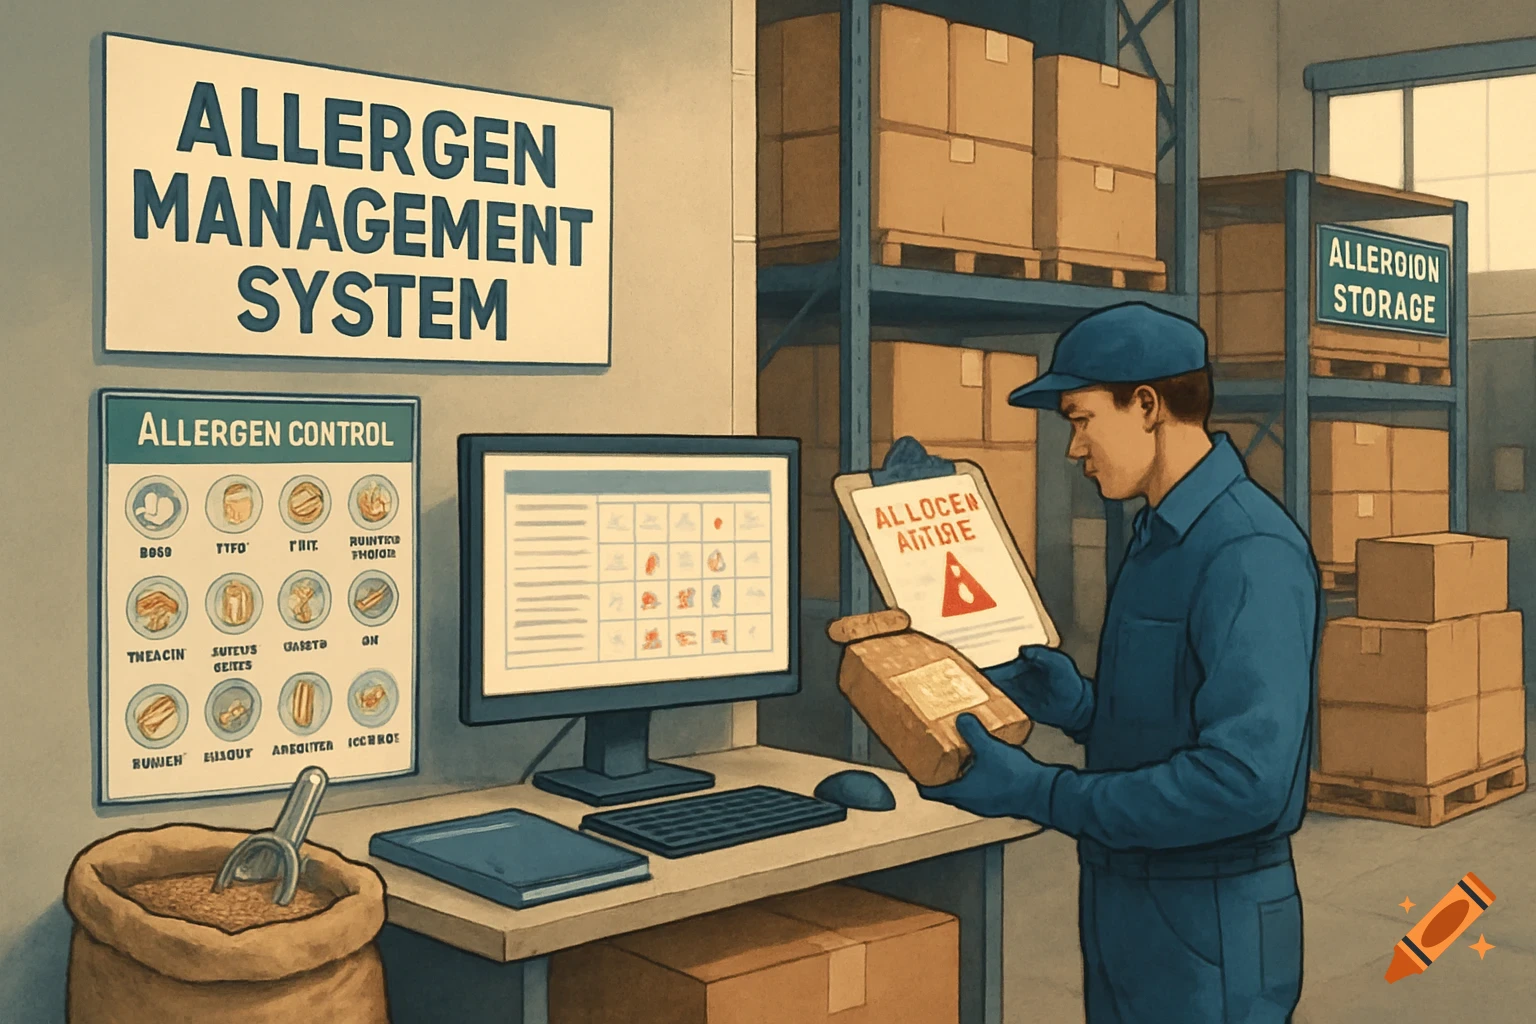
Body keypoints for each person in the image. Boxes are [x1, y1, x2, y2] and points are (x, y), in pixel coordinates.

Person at [919, 301, 1322, 1023]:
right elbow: (1179, 712)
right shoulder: (1158, 534)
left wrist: (1040, 793)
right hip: (1129, 906)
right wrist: (1080, 706)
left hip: (1210, 924)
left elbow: (1244, 783)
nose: (1074, 449)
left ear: (1146, 405)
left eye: (1080, 419)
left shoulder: (1248, 551)